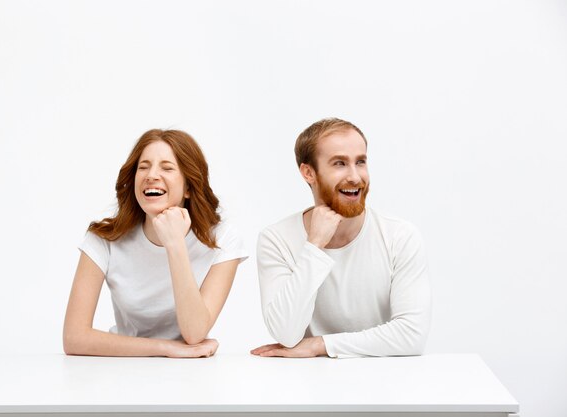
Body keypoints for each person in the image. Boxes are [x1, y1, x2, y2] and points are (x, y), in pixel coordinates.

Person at [251, 118, 431, 359]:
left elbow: (411, 336)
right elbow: (286, 333)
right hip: (307, 386)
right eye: (339, 163)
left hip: (385, 384)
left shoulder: (400, 236)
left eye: (361, 162)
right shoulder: (276, 239)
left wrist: (320, 345)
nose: (355, 177)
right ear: (308, 173)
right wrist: (313, 246)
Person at [64, 129, 247, 358]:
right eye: (143, 167)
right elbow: (74, 338)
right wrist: (165, 348)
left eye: (167, 168)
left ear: (189, 187)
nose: (151, 175)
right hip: (120, 368)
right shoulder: (104, 238)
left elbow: (194, 334)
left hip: (193, 375)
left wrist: (175, 244)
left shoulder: (222, 240)